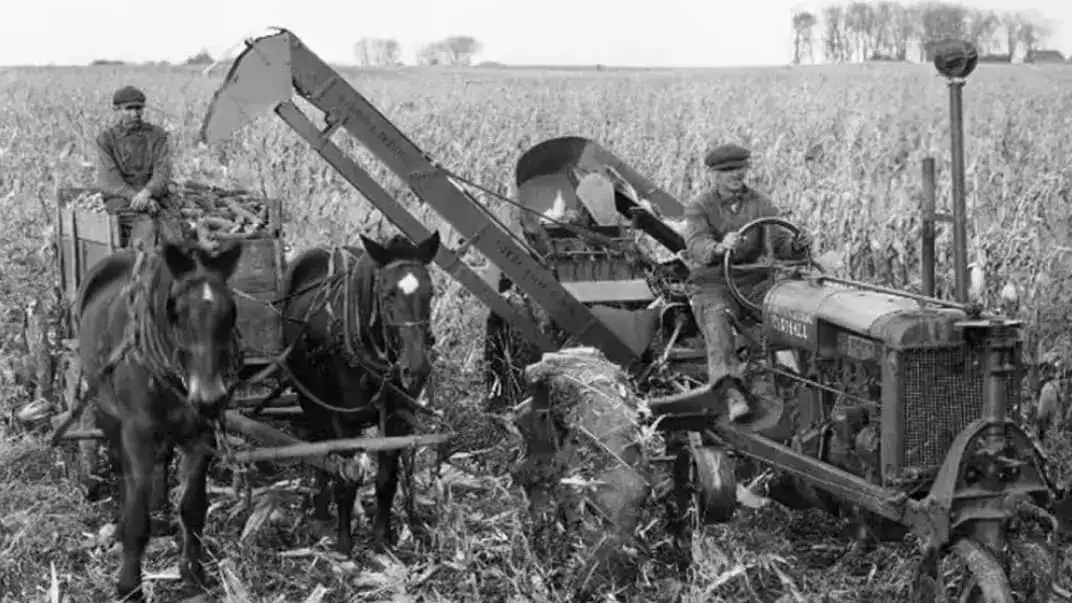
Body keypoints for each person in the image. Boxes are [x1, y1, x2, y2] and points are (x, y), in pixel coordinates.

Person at [680, 143, 812, 422]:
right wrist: (718, 247)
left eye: (740, 168)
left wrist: (795, 245)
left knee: (794, 307)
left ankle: (800, 382)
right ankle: (731, 392)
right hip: (713, 283)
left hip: (753, 283)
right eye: (728, 170)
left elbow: (778, 241)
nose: (736, 175)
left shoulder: (760, 204)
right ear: (713, 174)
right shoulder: (699, 207)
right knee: (717, 321)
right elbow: (696, 244)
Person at [95, 85, 183, 249]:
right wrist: (137, 197)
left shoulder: (157, 135)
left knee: (173, 234)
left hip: (155, 195)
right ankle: (139, 269)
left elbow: (162, 170)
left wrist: (147, 193)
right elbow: (110, 178)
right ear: (116, 109)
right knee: (146, 226)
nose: (135, 113)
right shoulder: (106, 139)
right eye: (129, 109)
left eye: (139, 108)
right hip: (121, 199)